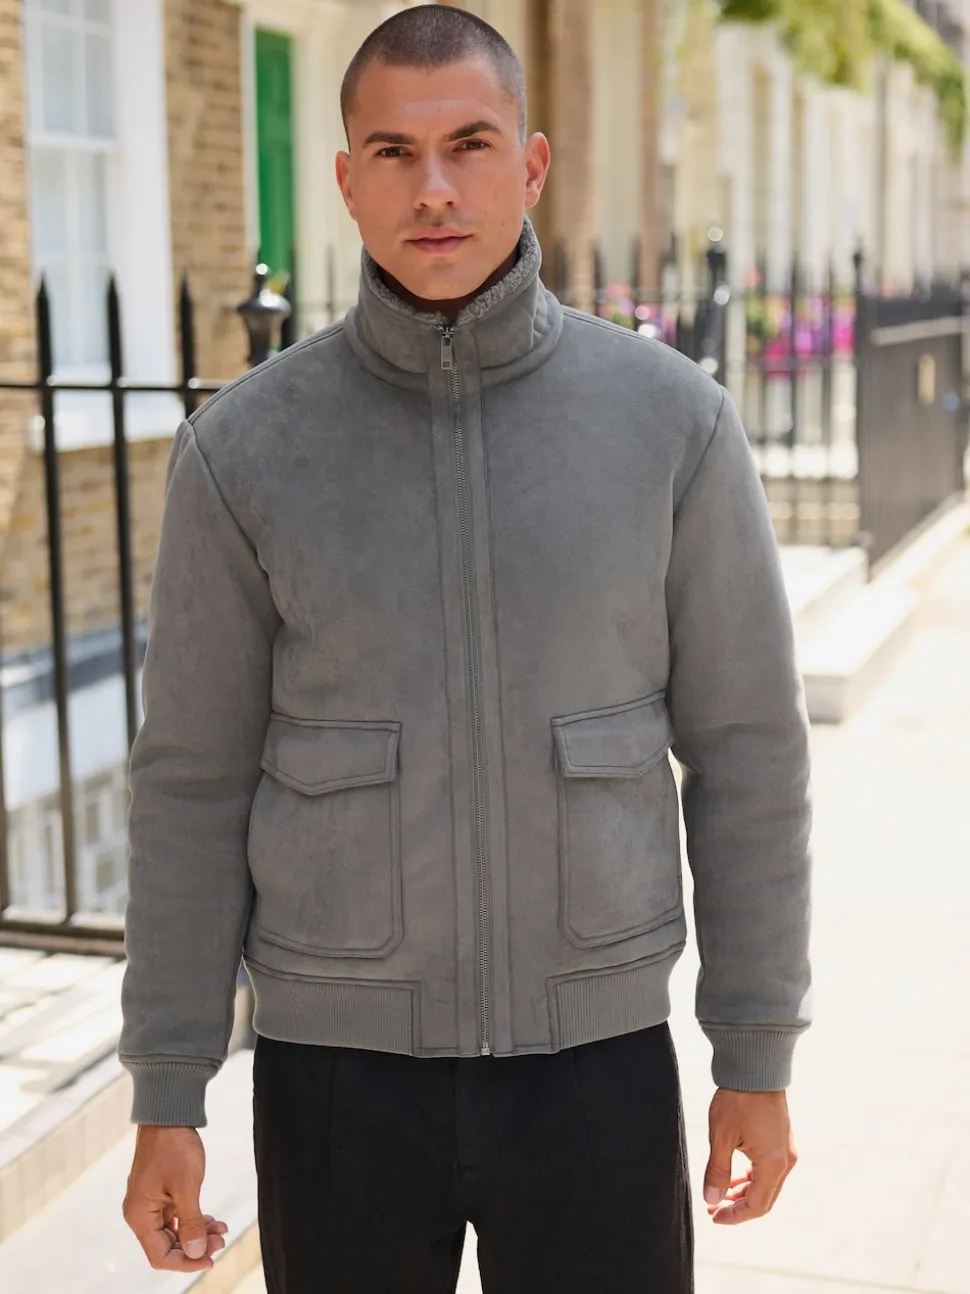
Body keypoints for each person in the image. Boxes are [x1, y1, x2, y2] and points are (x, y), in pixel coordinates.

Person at [119, 7, 812, 1292]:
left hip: (597, 1071)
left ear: (530, 165)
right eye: (393, 152)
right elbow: (190, 783)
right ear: (345, 180)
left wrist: (753, 1053)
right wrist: (169, 1084)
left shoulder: (671, 425)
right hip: (337, 1084)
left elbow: (750, 756)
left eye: (470, 144)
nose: (432, 188)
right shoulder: (244, 451)